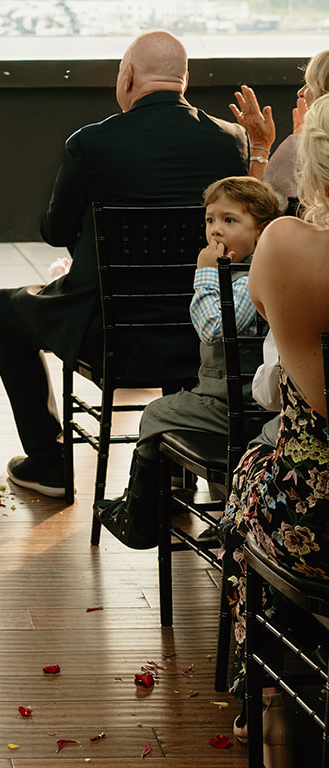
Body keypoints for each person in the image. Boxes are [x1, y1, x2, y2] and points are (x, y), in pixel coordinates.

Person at [0, 29, 250, 499]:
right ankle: (175, 473)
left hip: (108, 331)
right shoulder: (230, 142)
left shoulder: (92, 144)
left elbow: (55, 232)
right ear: (185, 79)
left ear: (127, 76)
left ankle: (48, 461)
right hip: (201, 330)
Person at [223, 92, 329, 760]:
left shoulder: (285, 245)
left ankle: (266, 705)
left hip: (314, 519)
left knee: (250, 480)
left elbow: (248, 308)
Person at [95, 175, 279, 549]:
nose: (216, 231)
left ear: (260, 233)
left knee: (156, 413)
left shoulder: (246, 277)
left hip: (236, 406)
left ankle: (140, 516)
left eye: (230, 221)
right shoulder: (254, 269)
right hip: (252, 407)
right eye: (210, 220)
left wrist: (206, 273)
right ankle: (229, 512)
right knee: (189, 402)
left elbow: (214, 328)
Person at [231, 48, 329, 210]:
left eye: (310, 84)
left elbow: (256, 210)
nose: (301, 92)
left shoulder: (299, 147)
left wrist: (260, 147)